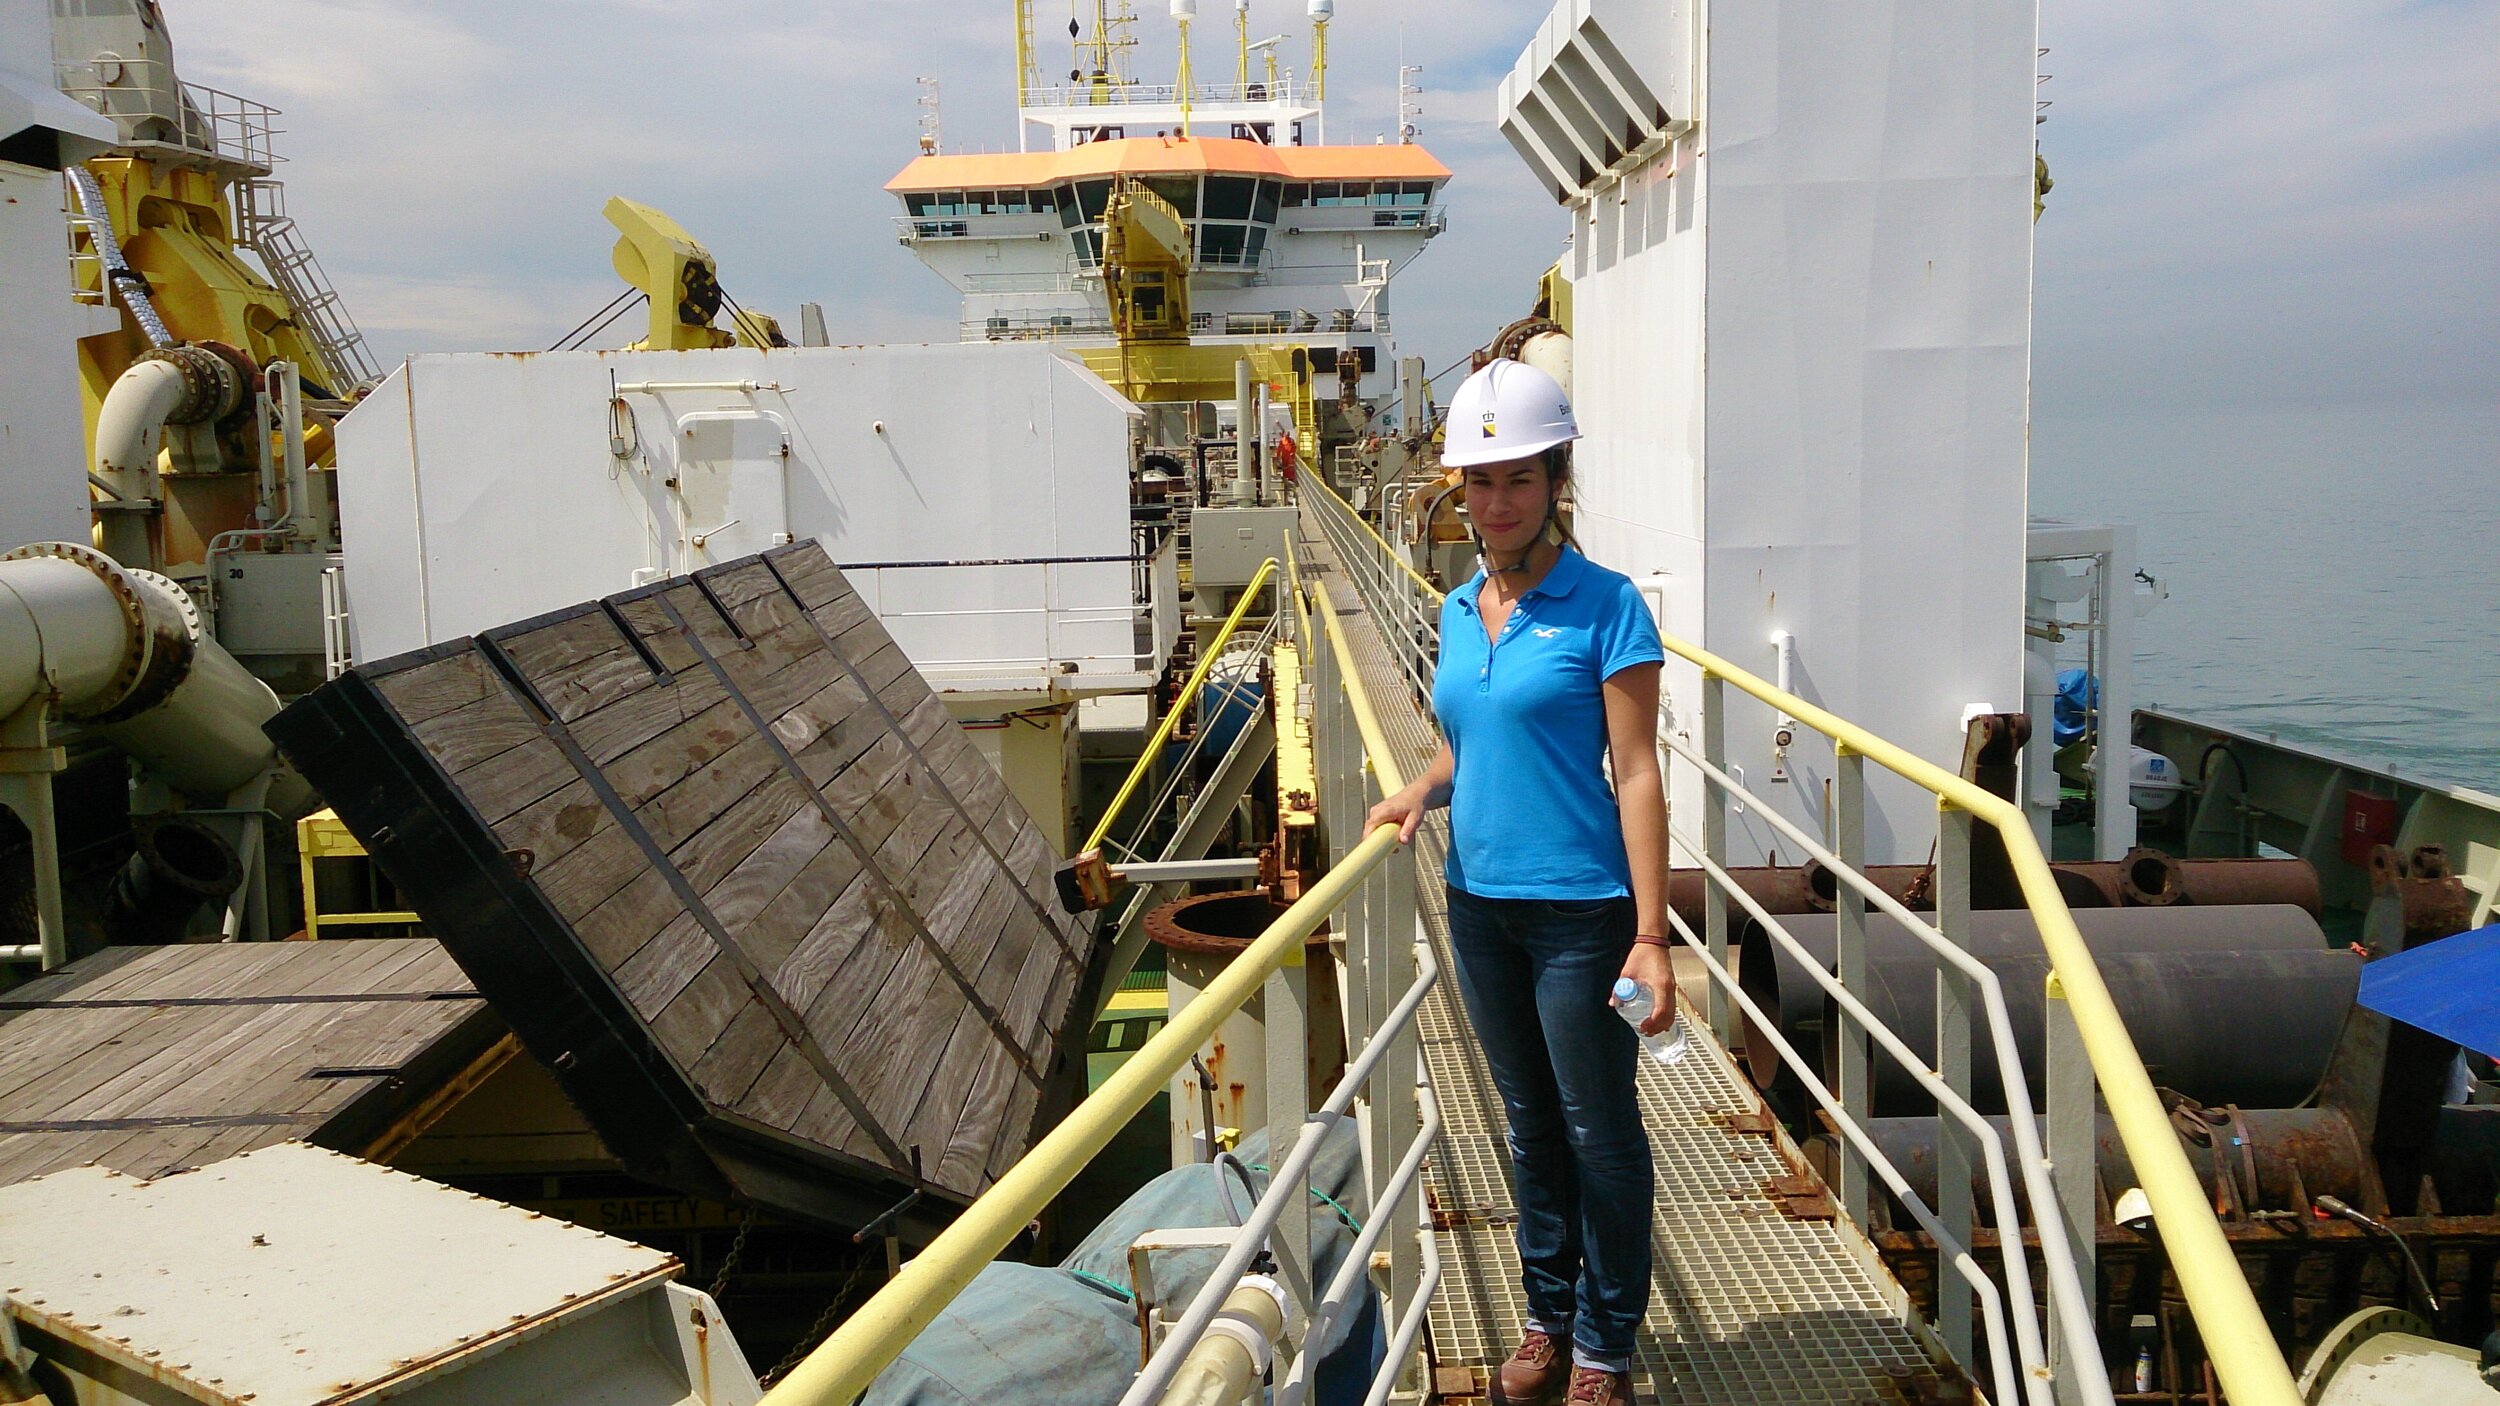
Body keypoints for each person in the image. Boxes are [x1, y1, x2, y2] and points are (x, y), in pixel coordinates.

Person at [1366, 360, 1674, 1406]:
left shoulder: (1606, 606)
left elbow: (1634, 773)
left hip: (1582, 914)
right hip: (1478, 906)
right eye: (1478, 481)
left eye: (1516, 478)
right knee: (1526, 1122)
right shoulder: (1460, 608)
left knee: (1596, 1127)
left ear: (1554, 483)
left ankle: (1603, 1343)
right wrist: (1420, 788)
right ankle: (1548, 1313)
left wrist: (1651, 933)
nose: (1494, 500)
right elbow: (1475, 740)